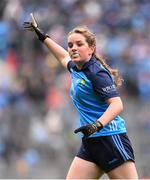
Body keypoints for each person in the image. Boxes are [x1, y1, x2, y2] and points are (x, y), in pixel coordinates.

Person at [23, 14, 139, 179]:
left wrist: (97, 125)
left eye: (79, 44)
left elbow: (117, 104)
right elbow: (63, 56)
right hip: (90, 142)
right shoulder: (76, 68)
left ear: (91, 48)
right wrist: (42, 36)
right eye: (70, 45)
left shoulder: (96, 72)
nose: (73, 48)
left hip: (110, 139)